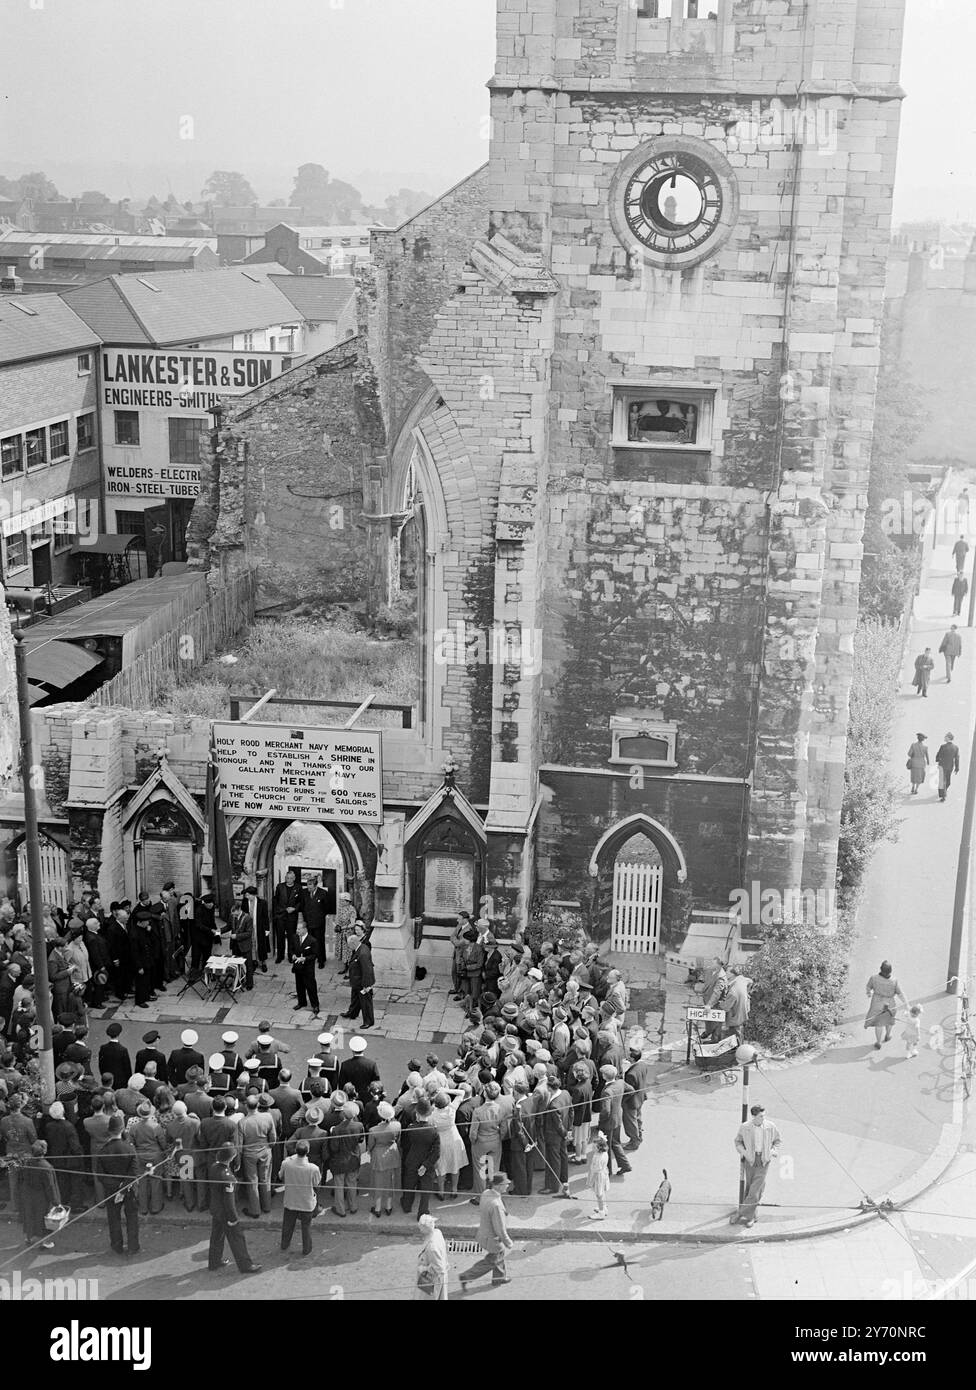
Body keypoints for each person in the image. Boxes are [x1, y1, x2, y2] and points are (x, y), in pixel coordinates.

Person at [208, 1143, 261, 1274]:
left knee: (216, 1237)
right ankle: (246, 1265)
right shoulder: (228, 1177)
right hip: (226, 1213)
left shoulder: (214, 1167)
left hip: (216, 1209)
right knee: (237, 1238)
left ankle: (214, 1262)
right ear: (230, 1158)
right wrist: (233, 1218)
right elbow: (229, 1200)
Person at [95, 1113, 141, 1256]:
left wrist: (115, 1188)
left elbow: (101, 1176)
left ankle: (117, 1245)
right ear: (122, 1130)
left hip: (111, 1190)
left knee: (113, 1218)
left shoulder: (102, 1151)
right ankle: (133, 1246)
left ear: (110, 1130)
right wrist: (123, 1187)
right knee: (132, 1217)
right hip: (128, 1188)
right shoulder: (129, 1149)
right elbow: (133, 1172)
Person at [459, 1173, 514, 1289]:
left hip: (484, 1232)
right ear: (498, 1186)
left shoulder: (486, 1193)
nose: (508, 1186)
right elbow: (499, 1228)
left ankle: (499, 1278)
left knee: (499, 1256)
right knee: (492, 1261)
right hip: (492, 1238)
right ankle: (467, 1276)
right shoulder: (496, 1205)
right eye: (505, 1184)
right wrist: (508, 1241)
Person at [732, 1103, 781, 1228]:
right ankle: (752, 1217)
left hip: (764, 1161)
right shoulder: (745, 1127)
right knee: (751, 1189)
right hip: (750, 1160)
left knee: (754, 1191)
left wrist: (772, 1152)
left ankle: (740, 1213)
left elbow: (778, 1141)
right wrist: (744, 1152)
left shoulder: (770, 1126)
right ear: (753, 1116)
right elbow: (737, 1141)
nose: (763, 1118)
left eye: (764, 1116)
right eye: (760, 1116)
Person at [280, 1139, 321, 1257]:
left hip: (290, 1199)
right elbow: (316, 1184)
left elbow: (280, 1175)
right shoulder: (313, 1168)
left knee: (288, 1224)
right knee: (306, 1227)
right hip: (306, 1202)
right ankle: (306, 1249)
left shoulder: (286, 1163)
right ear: (308, 1151)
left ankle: (284, 1244)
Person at [18, 1140, 60, 1249]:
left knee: (29, 1215)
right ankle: (45, 1242)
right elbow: (50, 1187)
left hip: (28, 1194)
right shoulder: (46, 1167)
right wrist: (56, 1202)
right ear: (44, 1151)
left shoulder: (26, 1163)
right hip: (41, 1198)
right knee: (43, 1219)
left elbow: (21, 1180)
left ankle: (29, 1238)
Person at [328, 1103, 364, 1216]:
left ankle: (340, 1210)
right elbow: (361, 1140)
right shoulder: (359, 1125)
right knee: (352, 1183)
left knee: (339, 1185)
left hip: (339, 1160)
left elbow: (334, 1147)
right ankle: (353, 1207)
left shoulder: (336, 1129)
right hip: (353, 1158)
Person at [367, 1101, 401, 1217]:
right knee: (390, 1181)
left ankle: (377, 1208)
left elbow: (370, 1146)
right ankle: (388, 1206)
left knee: (378, 1182)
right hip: (392, 1153)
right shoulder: (397, 1125)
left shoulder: (373, 1130)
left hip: (379, 1155)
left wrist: (369, 1151)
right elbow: (398, 1139)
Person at [864, 960, 908, 1049]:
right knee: (889, 1020)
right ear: (890, 971)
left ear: (881, 969)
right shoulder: (894, 981)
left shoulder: (874, 978)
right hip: (890, 1004)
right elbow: (900, 994)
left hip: (877, 1003)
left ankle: (878, 1042)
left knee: (878, 1024)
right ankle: (888, 1035)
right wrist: (907, 1004)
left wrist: (868, 993)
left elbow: (868, 986)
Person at [343, 923, 375, 1028]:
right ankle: (352, 1013)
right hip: (356, 981)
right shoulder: (358, 948)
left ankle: (368, 1021)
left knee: (366, 1003)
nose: (349, 947)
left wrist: (367, 985)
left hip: (362, 982)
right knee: (355, 999)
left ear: (353, 943)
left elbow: (367, 970)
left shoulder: (363, 953)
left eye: (349, 945)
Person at [622, 1045, 652, 1150]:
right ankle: (639, 1135)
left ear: (632, 1058)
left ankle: (634, 1141)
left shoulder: (630, 1074)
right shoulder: (643, 1065)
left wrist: (622, 1102)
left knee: (630, 1122)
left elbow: (629, 1091)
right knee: (638, 1118)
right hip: (641, 1097)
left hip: (631, 1102)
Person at [415, 1213, 449, 1301]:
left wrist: (423, 1269)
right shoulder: (437, 1232)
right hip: (439, 1277)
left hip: (432, 1279)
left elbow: (438, 1268)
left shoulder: (432, 1248)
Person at [289, 921, 319, 1016]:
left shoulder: (312, 941)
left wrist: (305, 958)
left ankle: (315, 1005)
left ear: (305, 929)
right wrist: (293, 955)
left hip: (308, 968)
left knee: (311, 987)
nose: (297, 931)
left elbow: (315, 955)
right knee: (299, 986)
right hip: (298, 967)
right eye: (297, 929)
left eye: (299, 929)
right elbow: (291, 949)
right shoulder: (295, 937)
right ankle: (301, 1002)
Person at [272, 870, 302, 963]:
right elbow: (275, 900)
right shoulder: (280, 886)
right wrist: (281, 910)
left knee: (291, 937)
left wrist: (294, 908)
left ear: (294, 878)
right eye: (287, 878)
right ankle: (280, 956)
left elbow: (300, 902)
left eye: (291, 878)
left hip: (292, 917)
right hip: (280, 916)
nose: (288, 880)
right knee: (280, 937)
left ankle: (290, 956)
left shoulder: (298, 887)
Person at [302, 873, 330, 970]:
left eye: (310, 886)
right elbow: (303, 906)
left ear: (315, 885)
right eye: (307, 886)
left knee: (319, 941)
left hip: (319, 922)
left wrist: (320, 916)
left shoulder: (323, 893)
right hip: (308, 922)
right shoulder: (304, 892)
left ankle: (321, 960)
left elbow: (326, 908)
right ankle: (311, 958)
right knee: (309, 942)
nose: (308, 888)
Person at [98, 1022, 132, 1089]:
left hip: (107, 1079)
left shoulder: (103, 1048)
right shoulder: (123, 1050)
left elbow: (101, 1064)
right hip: (121, 1081)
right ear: (119, 1034)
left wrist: (104, 1075)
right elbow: (127, 1068)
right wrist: (128, 1080)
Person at [332, 892, 357, 976]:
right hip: (340, 933)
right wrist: (336, 926)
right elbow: (337, 920)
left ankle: (351, 971)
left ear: (347, 901)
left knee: (348, 951)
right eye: (340, 901)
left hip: (347, 933)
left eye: (342, 901)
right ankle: (345, 967)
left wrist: (342, 928)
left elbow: (353, 924)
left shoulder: (351, 909)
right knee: (343, 951)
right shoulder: (340, 909)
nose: (341, 902)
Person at [588, 1132, 610, 1220]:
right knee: (602, 1192)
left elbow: (596, 1171)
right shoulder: (604, 1154)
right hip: (604, 1174)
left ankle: (601, 1212)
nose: (592, 1148)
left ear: (599, 1148)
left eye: (594, 1147)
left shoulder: (598, 1158)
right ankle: (604, 1207)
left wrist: (590, 1181)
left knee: (599, 1194)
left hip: (598, 1177)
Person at [936, 733, 960, 802]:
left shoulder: (942, 746)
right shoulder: (956, 747)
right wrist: (957, 767)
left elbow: (938, 755)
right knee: (948, 780)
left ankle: (943, 795)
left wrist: (937, 759)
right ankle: (944, 791)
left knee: (942, 781)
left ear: (948, 738)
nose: (944, 738)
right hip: (950, 766)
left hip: (942, 765)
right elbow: (957, 758)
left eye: (945, 737)